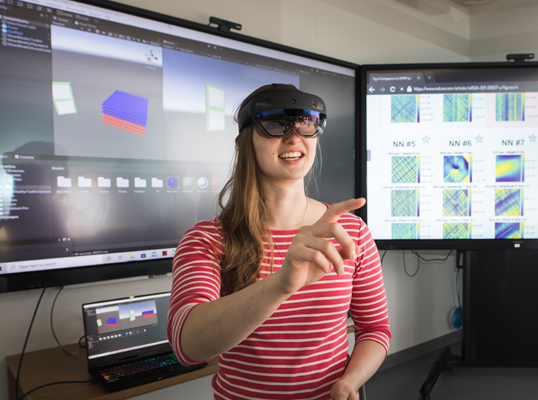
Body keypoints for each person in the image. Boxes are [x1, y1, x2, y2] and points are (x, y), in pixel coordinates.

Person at [167, 83, 391, 400]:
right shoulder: (207, 240)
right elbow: (187, 346)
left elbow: (375, 330)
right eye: (275, 124)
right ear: (245, 143)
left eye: (306, 124)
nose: (294, 137)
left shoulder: (349, 232)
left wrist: (348, 382)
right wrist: (281, 284)